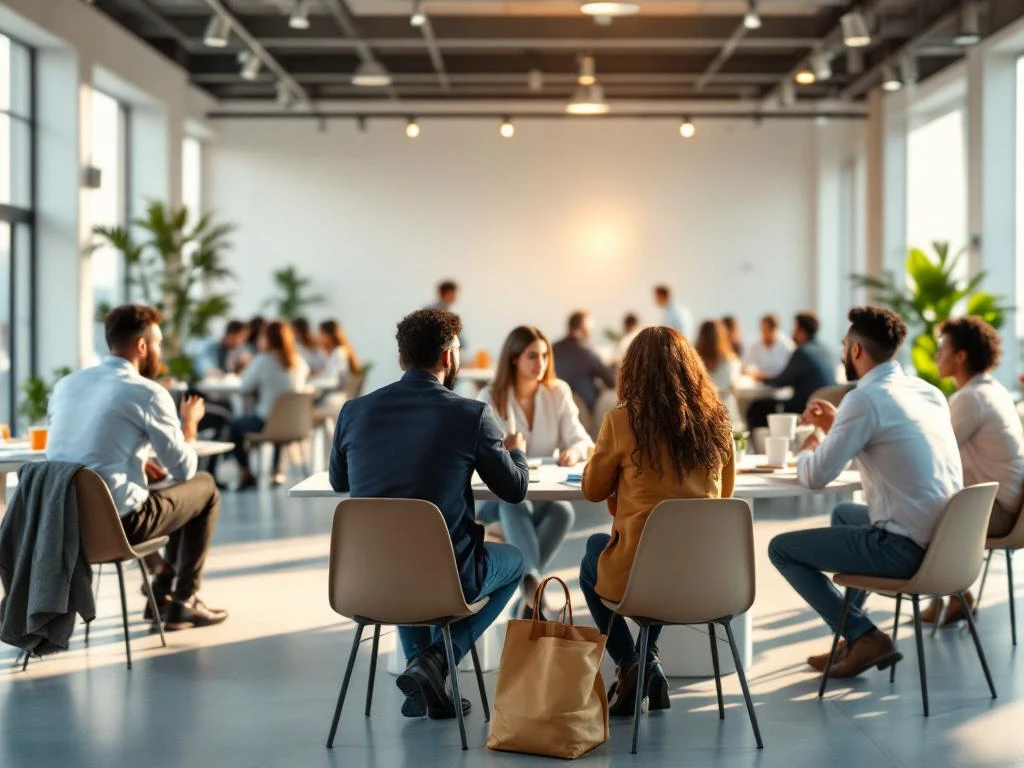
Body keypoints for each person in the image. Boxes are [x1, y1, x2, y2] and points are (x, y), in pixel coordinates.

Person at [329, 308, 528, 720]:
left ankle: (423, 677)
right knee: (514, 562)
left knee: (399, 549)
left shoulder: (354, 411)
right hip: (445, 578)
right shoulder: (470, 415)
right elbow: (514, 490)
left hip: (369, 580)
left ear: (401, 358)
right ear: (448, 357)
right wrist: (517, 453)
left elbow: (338, 481)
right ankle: (436, 659)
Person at [768, 306, 963, 679]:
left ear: (856, 350)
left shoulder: (864, 398)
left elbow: (815, 477)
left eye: (844, 346)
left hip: (905, 550)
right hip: (949, 544)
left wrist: (808, 447)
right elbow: (894, 447)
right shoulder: (929, 392)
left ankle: (863, 635)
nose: (843, 353)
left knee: (781, 549)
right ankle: (854, 637)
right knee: (844, 514)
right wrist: (839, 425)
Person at [579, 326, 735, 716]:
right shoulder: (718, 423)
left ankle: (631, 661)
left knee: (594, 553)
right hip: (706, 578)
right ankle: (648, 661)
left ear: (632, 371)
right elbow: (724, 499)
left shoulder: (622, 421)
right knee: (670, 547)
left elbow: (592, 490)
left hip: (643, 578)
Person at [46, 304, 228, 630]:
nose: (159, 352)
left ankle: (162, 594)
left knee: (170, 491)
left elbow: (87, 449)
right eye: (158, 344)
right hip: (119, 528)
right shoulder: (148, 393)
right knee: (204, 487)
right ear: (142, 346)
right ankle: (184, 600)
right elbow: (183, 469)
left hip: (62, 527)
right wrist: (189, 426)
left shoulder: (66, 386)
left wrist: (138, 463)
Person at [477, 326, 593, 618]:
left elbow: (581, 440)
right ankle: (533, 591)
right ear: (514, 358)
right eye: (532, 356)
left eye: (544, 355)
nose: (540, 363)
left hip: (539, 496)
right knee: (514, 501)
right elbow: (478, 454)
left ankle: (530, 590)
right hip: (498, 500)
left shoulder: (557, 391)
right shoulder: (490, 396)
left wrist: (573, 451)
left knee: (563, 511)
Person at [925, 316, 1024, 625]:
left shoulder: (970, 398)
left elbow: (934, 455)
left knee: (915, 514)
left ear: (960, 356)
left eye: (942, 350)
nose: (936, 357)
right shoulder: (992, 389)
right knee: (931, 505)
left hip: (998, 512)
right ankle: (950, 596)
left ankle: (949, 594)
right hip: (1012, 509)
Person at [221, 321, 310, 489]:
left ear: (267, 339)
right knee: (280, 418)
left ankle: (246, 472)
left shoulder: (263, 360)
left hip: (267, 422)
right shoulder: (299, 362)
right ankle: (276, 470)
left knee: (233, 426)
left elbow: (244, 387)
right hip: (294, 424)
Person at [746, 312, 835, 429]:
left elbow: (781, 381)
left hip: (805, 407)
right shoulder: (826, 350)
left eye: (794, 329)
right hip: (825, 407)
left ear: (801, 332)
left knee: (755, 407)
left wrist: (759, 377)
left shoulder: (802, 352)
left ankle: (764, 440)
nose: (792, 333)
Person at [551, 310, 615, 413]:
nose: (591, 331)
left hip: (556, 405)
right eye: (590, 327)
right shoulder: (587, 352)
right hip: (583, 410)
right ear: (583, 327)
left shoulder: (552, 348)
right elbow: (610, 382)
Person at [694, 319, 742, 424]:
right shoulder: (731, 362)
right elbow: (734, 385)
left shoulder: (693, 362)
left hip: (700, 415)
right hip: (727, 415)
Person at [743, 313, 794, 379]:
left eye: (765, 330)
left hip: (781, 383)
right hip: (758, 382)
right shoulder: (755, 345)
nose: (763, 333)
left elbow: (791, 371)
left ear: (774, 330)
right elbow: (747, 366)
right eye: (762, 330)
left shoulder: (788, 346)